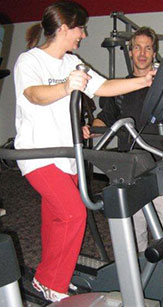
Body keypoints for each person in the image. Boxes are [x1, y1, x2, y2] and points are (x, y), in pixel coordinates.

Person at [14, 1, 155, 303]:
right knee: (73, 212)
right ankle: (54, 282)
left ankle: (46, 279)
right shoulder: (30, 61)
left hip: (66, 155)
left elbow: (103, 87)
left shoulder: (71, 62)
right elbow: (34, 95)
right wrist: (66, 88)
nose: (84, 34)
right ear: (64, 28)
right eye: (81, 28)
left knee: (56, 220)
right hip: (37, 155)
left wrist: (142, 81)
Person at [93, 27, 163, 253]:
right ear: (130, 52)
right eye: (137, 47)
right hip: (130, 167)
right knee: (135, 227)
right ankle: (138, 273)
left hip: (158, 162)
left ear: (154, 52)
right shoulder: (119, 89)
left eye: (148, 48)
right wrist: (90, 130)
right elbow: (105, 118)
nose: (142, 53)